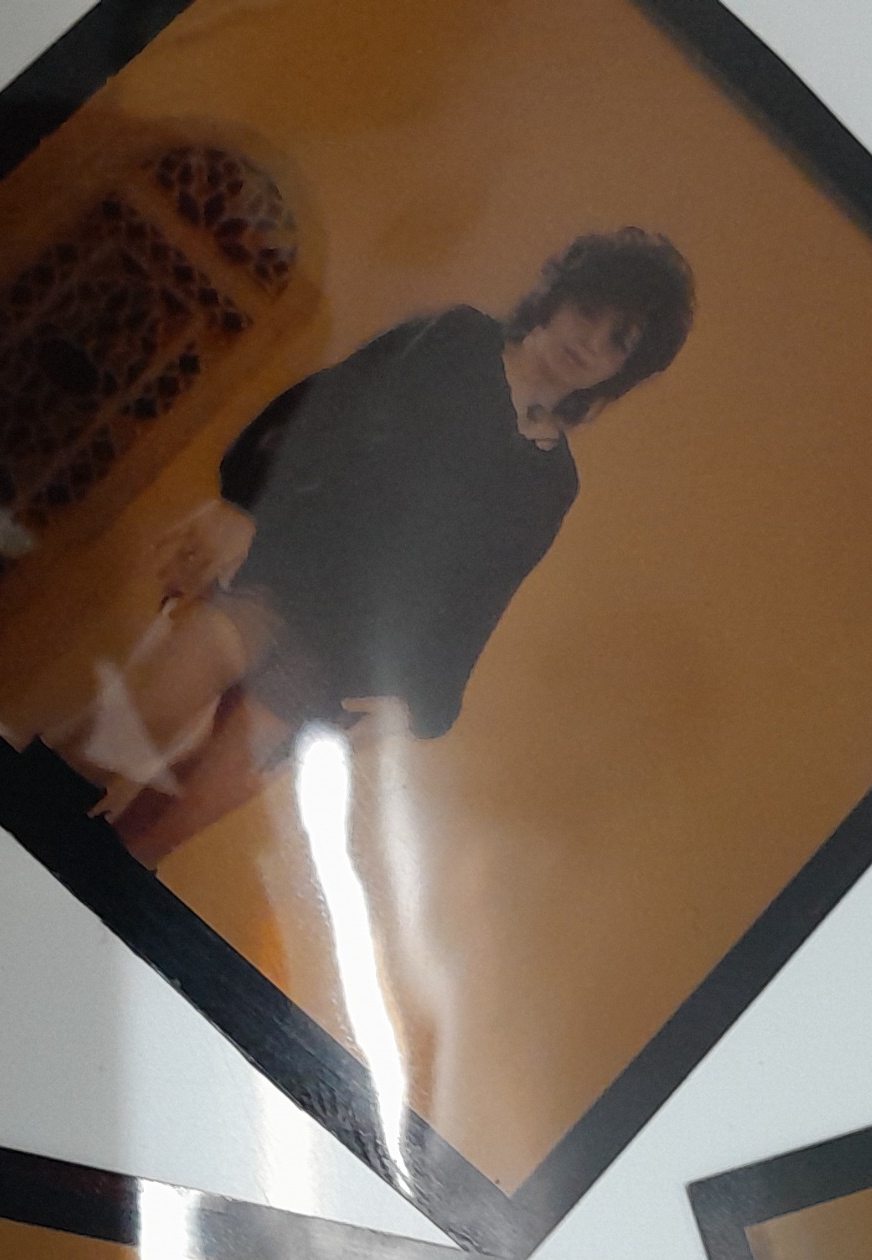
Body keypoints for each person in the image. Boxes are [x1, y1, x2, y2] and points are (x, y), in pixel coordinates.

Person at [53, 228, 698, 864]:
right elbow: (324, 406)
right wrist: (242, 501)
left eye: (619, 340)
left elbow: (479, 596)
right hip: (278, 577)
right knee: (125, 729)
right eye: (588, 310)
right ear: (559, 295)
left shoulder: (553, 482)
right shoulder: (457, 339)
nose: (591, 340)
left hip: (343, 657)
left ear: (626, 367)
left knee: (173, 822)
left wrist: (417, 706)